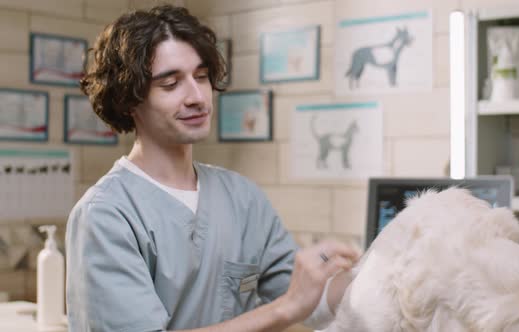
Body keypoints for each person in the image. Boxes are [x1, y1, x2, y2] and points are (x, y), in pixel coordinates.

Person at [66, 5, 359, 332]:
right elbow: (292, 304)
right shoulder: (106, 215)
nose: (197, 97)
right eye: (171, 83)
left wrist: (391, 277)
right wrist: (285, 309)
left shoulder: (241, 198)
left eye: (201, 77)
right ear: (129, 99)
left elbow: (313, 302)